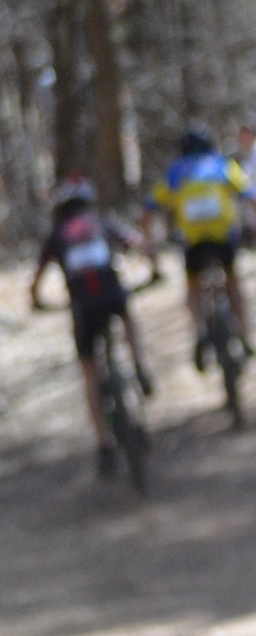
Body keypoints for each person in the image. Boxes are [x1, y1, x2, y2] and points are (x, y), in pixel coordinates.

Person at [31, 177, 157, 478]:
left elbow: (36, 278)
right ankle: (139, 365)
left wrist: (36, 301)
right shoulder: (101, 222)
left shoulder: (56, 234)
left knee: (89, 371)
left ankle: (103, 445)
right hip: (113, 297)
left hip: (83, 309)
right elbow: (138, 243)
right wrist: (155, 269)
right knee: (127, 318)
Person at [145, 126, 254, 368]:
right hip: (223, 236)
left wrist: (150, 246)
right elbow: (249, 193)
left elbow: (150, 207)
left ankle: (198, 330)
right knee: (232, 282)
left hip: (193, 241)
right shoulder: (223, 166)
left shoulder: (176, 172)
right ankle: (245, 335)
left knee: (193, 287)